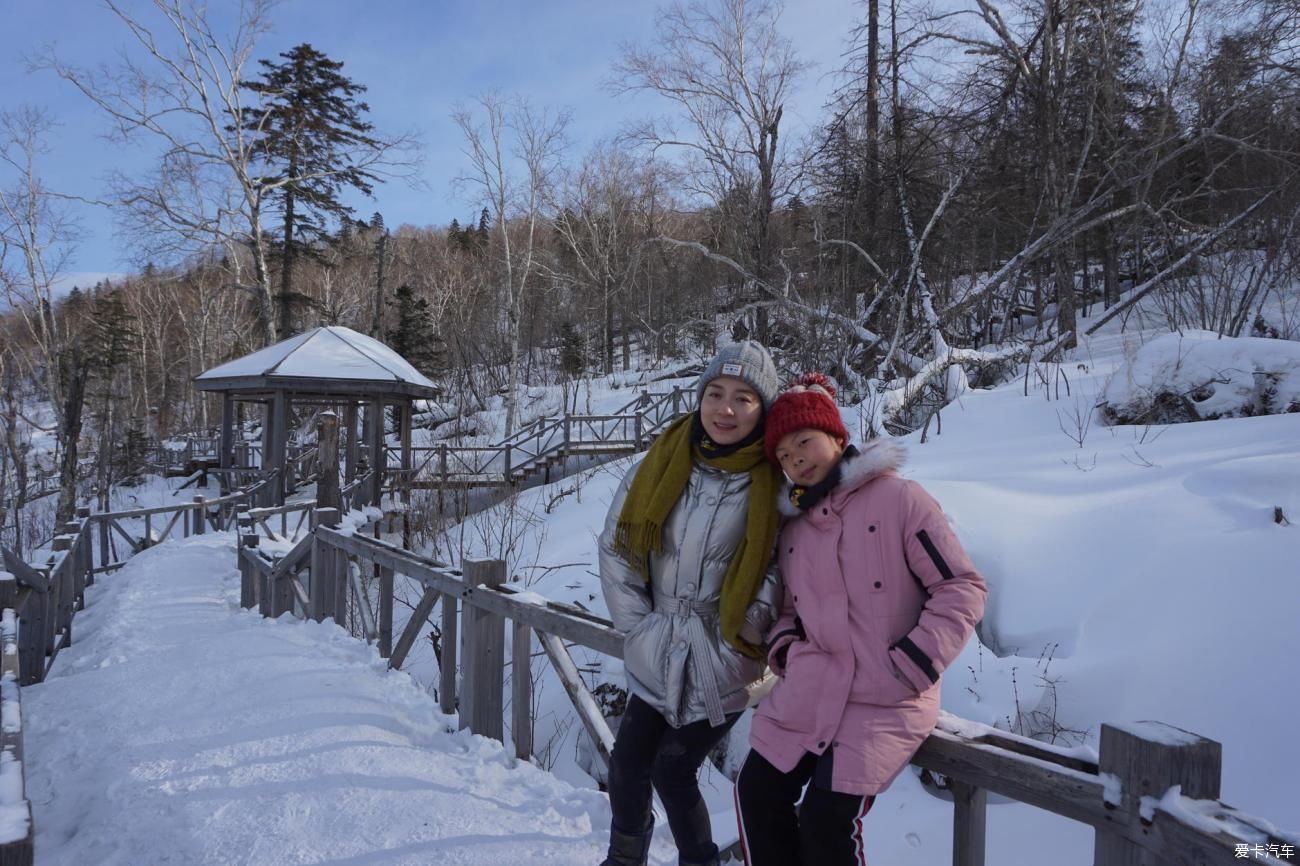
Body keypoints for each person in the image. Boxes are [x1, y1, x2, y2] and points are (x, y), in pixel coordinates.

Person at [734, 373, 987, 866]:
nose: (795, 460)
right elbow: (790, 611)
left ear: (837, 437)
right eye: (783, 456)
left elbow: (961, 586)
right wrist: (786, 649)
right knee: (757, 793)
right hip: (811, 688)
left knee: (826, 822)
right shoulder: (794, 529)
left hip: (884, 697)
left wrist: (913, 663)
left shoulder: (900, 500)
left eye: (803, 442)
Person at [598, 341, 785, 866]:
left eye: (744, 398)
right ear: (699, 398)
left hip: (726, 657)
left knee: (674, 770)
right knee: (628, 764)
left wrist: (738, 637)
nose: (725, 408)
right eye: (716, 393)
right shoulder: (664, 460)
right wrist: (641, 630)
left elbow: (780, 570)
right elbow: (619, 547)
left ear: (762, 409)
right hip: (657, 643)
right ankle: (623, 857)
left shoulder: (776, 480)